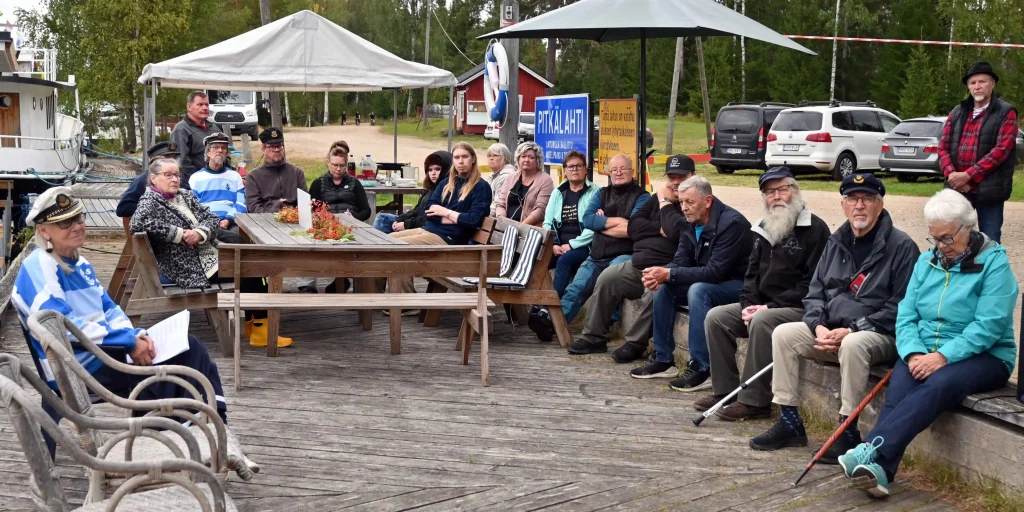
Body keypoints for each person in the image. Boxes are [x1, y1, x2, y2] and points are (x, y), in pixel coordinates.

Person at [11, 187, 258, 478]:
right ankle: (189, 442)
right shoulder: (40, 265)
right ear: (44, 230)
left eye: (79, 218)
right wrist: (128, 341)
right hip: (78, 367)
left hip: (102, 353)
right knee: (181, 359)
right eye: (65, 222)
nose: (76, 226)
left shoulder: (79, 263)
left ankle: (209, 435)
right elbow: (62, 326)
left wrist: (135, 335)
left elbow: (109, 310)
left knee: (189, 348)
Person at [837, 189, 1017, 499]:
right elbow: (906, 314)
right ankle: (881, 472)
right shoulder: (926, 261)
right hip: (925, 352)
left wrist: (943, 356)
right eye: (935, 238)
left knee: (939, 383)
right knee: (900, 386)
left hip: (987, 356)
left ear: (968, 227)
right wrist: (913, 353)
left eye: (947, 238)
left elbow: (989, 326)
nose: (941, 246)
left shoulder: (994, 264)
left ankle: (869, 448)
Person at [750, 173, 919, 459]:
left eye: (867, 199)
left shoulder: (901, 246)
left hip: (879, 334)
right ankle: (790, 422)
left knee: (853, 344)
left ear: (880, 204)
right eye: (852, 199)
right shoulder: (836, 241)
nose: (859, 206)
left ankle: (847, 431)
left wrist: (853, 329)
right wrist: (818, 326)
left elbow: (902, 306)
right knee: (784, 334)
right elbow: (814, 292)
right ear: (843, 205)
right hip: (831, 331)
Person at [697, 168, 830, 421]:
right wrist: (748, 304)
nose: (776, 197)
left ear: (795, 191)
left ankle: (755, 401)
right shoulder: (763, 228)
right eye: (770, 192)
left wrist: (768, 307)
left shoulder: (815, 229)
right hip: (764, 307)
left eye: (782, 189)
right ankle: (726, 391)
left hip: (800, 308)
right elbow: (751, 276)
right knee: (717, 317)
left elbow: (813, 284)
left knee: (761, 320)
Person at [132, 158, 293, 348]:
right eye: (168, 175)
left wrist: (199, 233)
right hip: (186, 265)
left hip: (209, 254)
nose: (174, 179)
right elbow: (137, 222)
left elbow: (211, 219)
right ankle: (260, 329)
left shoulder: (185, 195)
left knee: (255, 264)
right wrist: (180, 234)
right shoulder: (150, 201)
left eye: (176, 175)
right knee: (252, 270)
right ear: (153, 178)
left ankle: (255, 325)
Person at [556, 155, 692, 355]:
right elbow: (634, 227)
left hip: (668, 267)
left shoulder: (689, 202)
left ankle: (635, 344)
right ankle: (594, 337)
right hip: (637, 263)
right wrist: (654, 226)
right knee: (608, 277)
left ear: (693, 176)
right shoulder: (614, 194)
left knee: (655, 290)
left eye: (682, 177)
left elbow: (673, 230)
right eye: (672, 178)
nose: (676, 183)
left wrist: (664, 203)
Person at [629, 176, 751, 390]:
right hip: (713, 281)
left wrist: (669, 273)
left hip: (741, 285)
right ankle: (663, 359)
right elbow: (680, 262)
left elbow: (715, 272)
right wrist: (660, 274)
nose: (684, 208)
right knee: (665, 287)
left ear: (708, 201)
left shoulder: (732, 223)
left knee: (698, 290)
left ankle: (702, 367)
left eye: (690, 202)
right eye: (681, 201)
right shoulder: (689, 221)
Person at [555, 154, 650, 326]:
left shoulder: (642, 197)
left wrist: (602, 223)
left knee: (607, 281)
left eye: (623, 169)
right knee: (576, 287)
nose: (618, 173)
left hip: (625, 255)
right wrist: (619, 221)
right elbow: (588, 220)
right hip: (597, 255)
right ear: (609, 173)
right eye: (614, 170)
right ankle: (553, 323)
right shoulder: (602, 193)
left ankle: (603, 326)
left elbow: (633, 229)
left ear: (632, 171)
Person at [389, 142, 492, 294]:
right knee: (384, 242)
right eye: (457, 157)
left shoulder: (481, 187)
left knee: (396, 249)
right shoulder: (446, 183)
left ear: (473, 159)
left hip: (449, 240)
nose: (461, 161)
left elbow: (473, 220)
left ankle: (406, 301)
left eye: (464, 157)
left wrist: (445, 212)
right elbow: (429, 211)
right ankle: (374, 297)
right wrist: (456, 219)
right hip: (428, 230)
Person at [938, 61, 1018, 243]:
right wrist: (952, 175)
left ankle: (989, 264)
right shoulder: (958, 111)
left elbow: (1001, 151)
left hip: (990, 191)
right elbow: (942, 147)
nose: (977, 86)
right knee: (951, 238)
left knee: (990, 240)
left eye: (982, 82)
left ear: (992, 84)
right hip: (957, 189)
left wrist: (968, 176)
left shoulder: (1006, 112)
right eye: (972, 83)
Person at [244, 127, 315, 294]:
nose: (276, 150)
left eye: (279, 146)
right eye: (271, 147)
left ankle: (307, 285)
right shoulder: (254, 176)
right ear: (263, 149)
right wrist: (277, 207)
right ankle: (270, 287)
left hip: (295, 222)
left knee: (307, 238)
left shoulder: (296, 172)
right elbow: (253, 208)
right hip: (266, 224)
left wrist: (295, 214)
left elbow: (304, 202)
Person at [188, 132, 247, 244]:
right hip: (205, 223)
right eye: (215, 147)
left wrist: (227, 220)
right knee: (233, 239)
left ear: (226, 153)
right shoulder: (196, 178)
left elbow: (241, 204)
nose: (220, 150)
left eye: (223, 148)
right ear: (208, 152)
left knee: (238, 236)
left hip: (231, 222)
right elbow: (194, 207)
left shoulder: (235, 176)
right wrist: (212, 222)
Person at [374, 150, 449, 234]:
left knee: (387, 227)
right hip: (414, 222)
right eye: (430, 170)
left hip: (424, 228)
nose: (433, 173)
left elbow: (427, 219)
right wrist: (401, 219)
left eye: (437, 169)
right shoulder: (430, 189)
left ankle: (381, 241)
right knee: (383, 218)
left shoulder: (445, 192)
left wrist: (406, 224)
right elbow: (416, 210)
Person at [170, 91, 224, 188]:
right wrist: (200, 179)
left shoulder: (214, 128)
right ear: (189, 107)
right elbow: (182, 162)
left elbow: (224, 152)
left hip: (218, 181)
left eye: (206, 105)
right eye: (200, 105)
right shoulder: (182, 129)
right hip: (194, 184)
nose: (205, 108)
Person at [494, 141, 554, 226]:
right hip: (506, 226)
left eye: (531, 157)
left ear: (538, 161)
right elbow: (501, 203)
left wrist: (520, 227)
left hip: (530, 228)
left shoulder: (546, 180)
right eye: (523, 156)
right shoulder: (511, 177)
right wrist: (503, 222)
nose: (526, 160)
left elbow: (540, 210)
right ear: (518, 159)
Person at [116, 141, 181, 218]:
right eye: (167, 158)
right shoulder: (143, 180)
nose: (172, 161)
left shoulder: (177, 178)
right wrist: (156, 209)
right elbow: (122, 208)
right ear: (155, 162)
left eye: (174, 158)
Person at [309, 140, 371, 220]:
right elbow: (310, 209)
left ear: (346, 164)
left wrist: (354, 218)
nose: (338, 169)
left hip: (351, 223)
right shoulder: (318, 184)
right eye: (335, 165)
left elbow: (366, 210)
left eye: (342, 165)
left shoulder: (354, 183)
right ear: (328, 163)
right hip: (327, 223)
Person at [486, 143, 516, 216]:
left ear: (505, 158)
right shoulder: (492, 176)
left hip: (500, 217)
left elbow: (497, 203)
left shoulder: (506, 176)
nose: (491, 158)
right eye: (489, 156)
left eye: (495, 155)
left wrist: (481, 216)